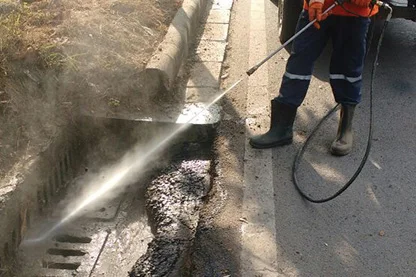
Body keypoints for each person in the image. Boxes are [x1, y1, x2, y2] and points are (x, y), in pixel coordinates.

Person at [249, 0, 378, 156]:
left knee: (348, 71)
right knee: (298, 65)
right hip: (317, 8)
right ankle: (281, 128)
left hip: (355, 14)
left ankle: (345, 128)